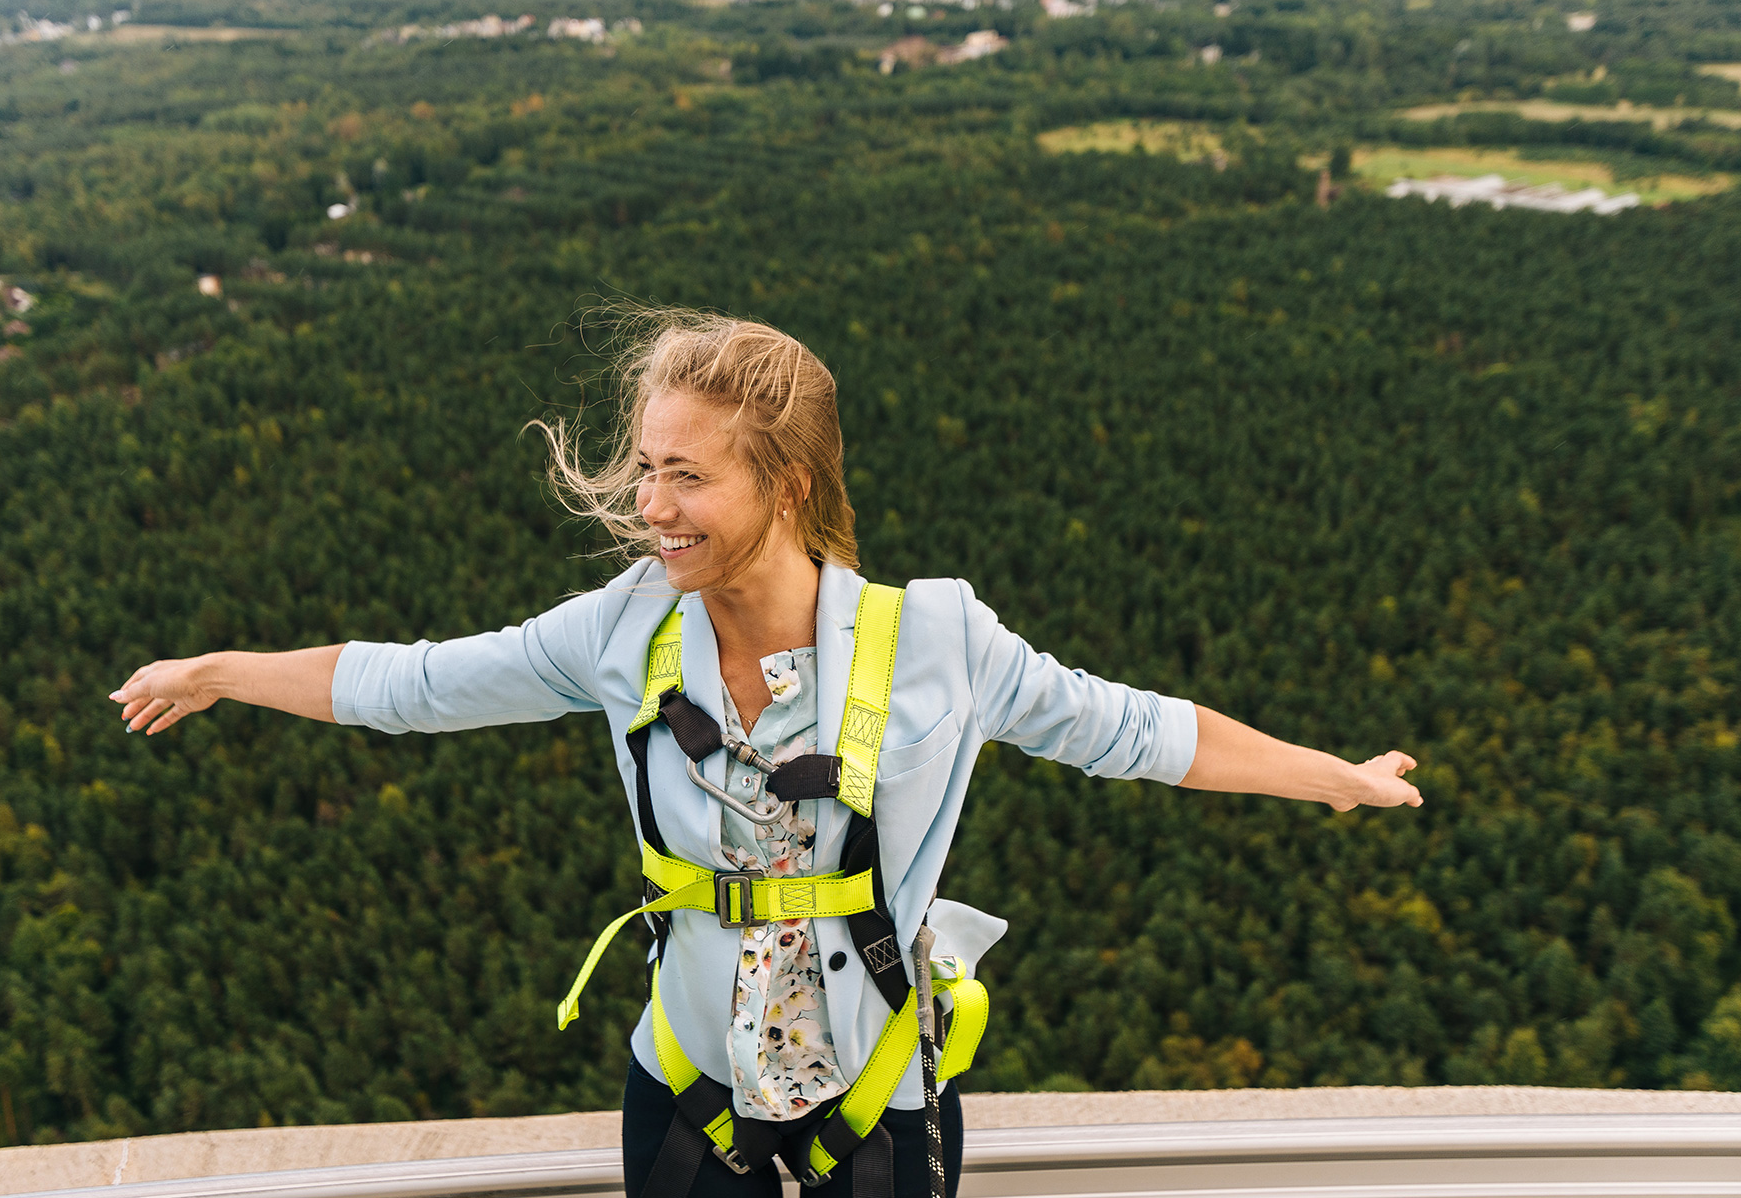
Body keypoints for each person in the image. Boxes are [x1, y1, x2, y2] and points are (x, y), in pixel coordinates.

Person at [110, 312, 1421, 1198]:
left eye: (688, 477)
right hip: (682, 1083)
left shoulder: (937, 643)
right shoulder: (624, 631)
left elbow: (1135, 732)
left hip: (880, 1093)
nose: (650, 506)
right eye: (644, 469)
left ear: (787, 486)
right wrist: (223, 673)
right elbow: (414, 684)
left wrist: (1337, 778)